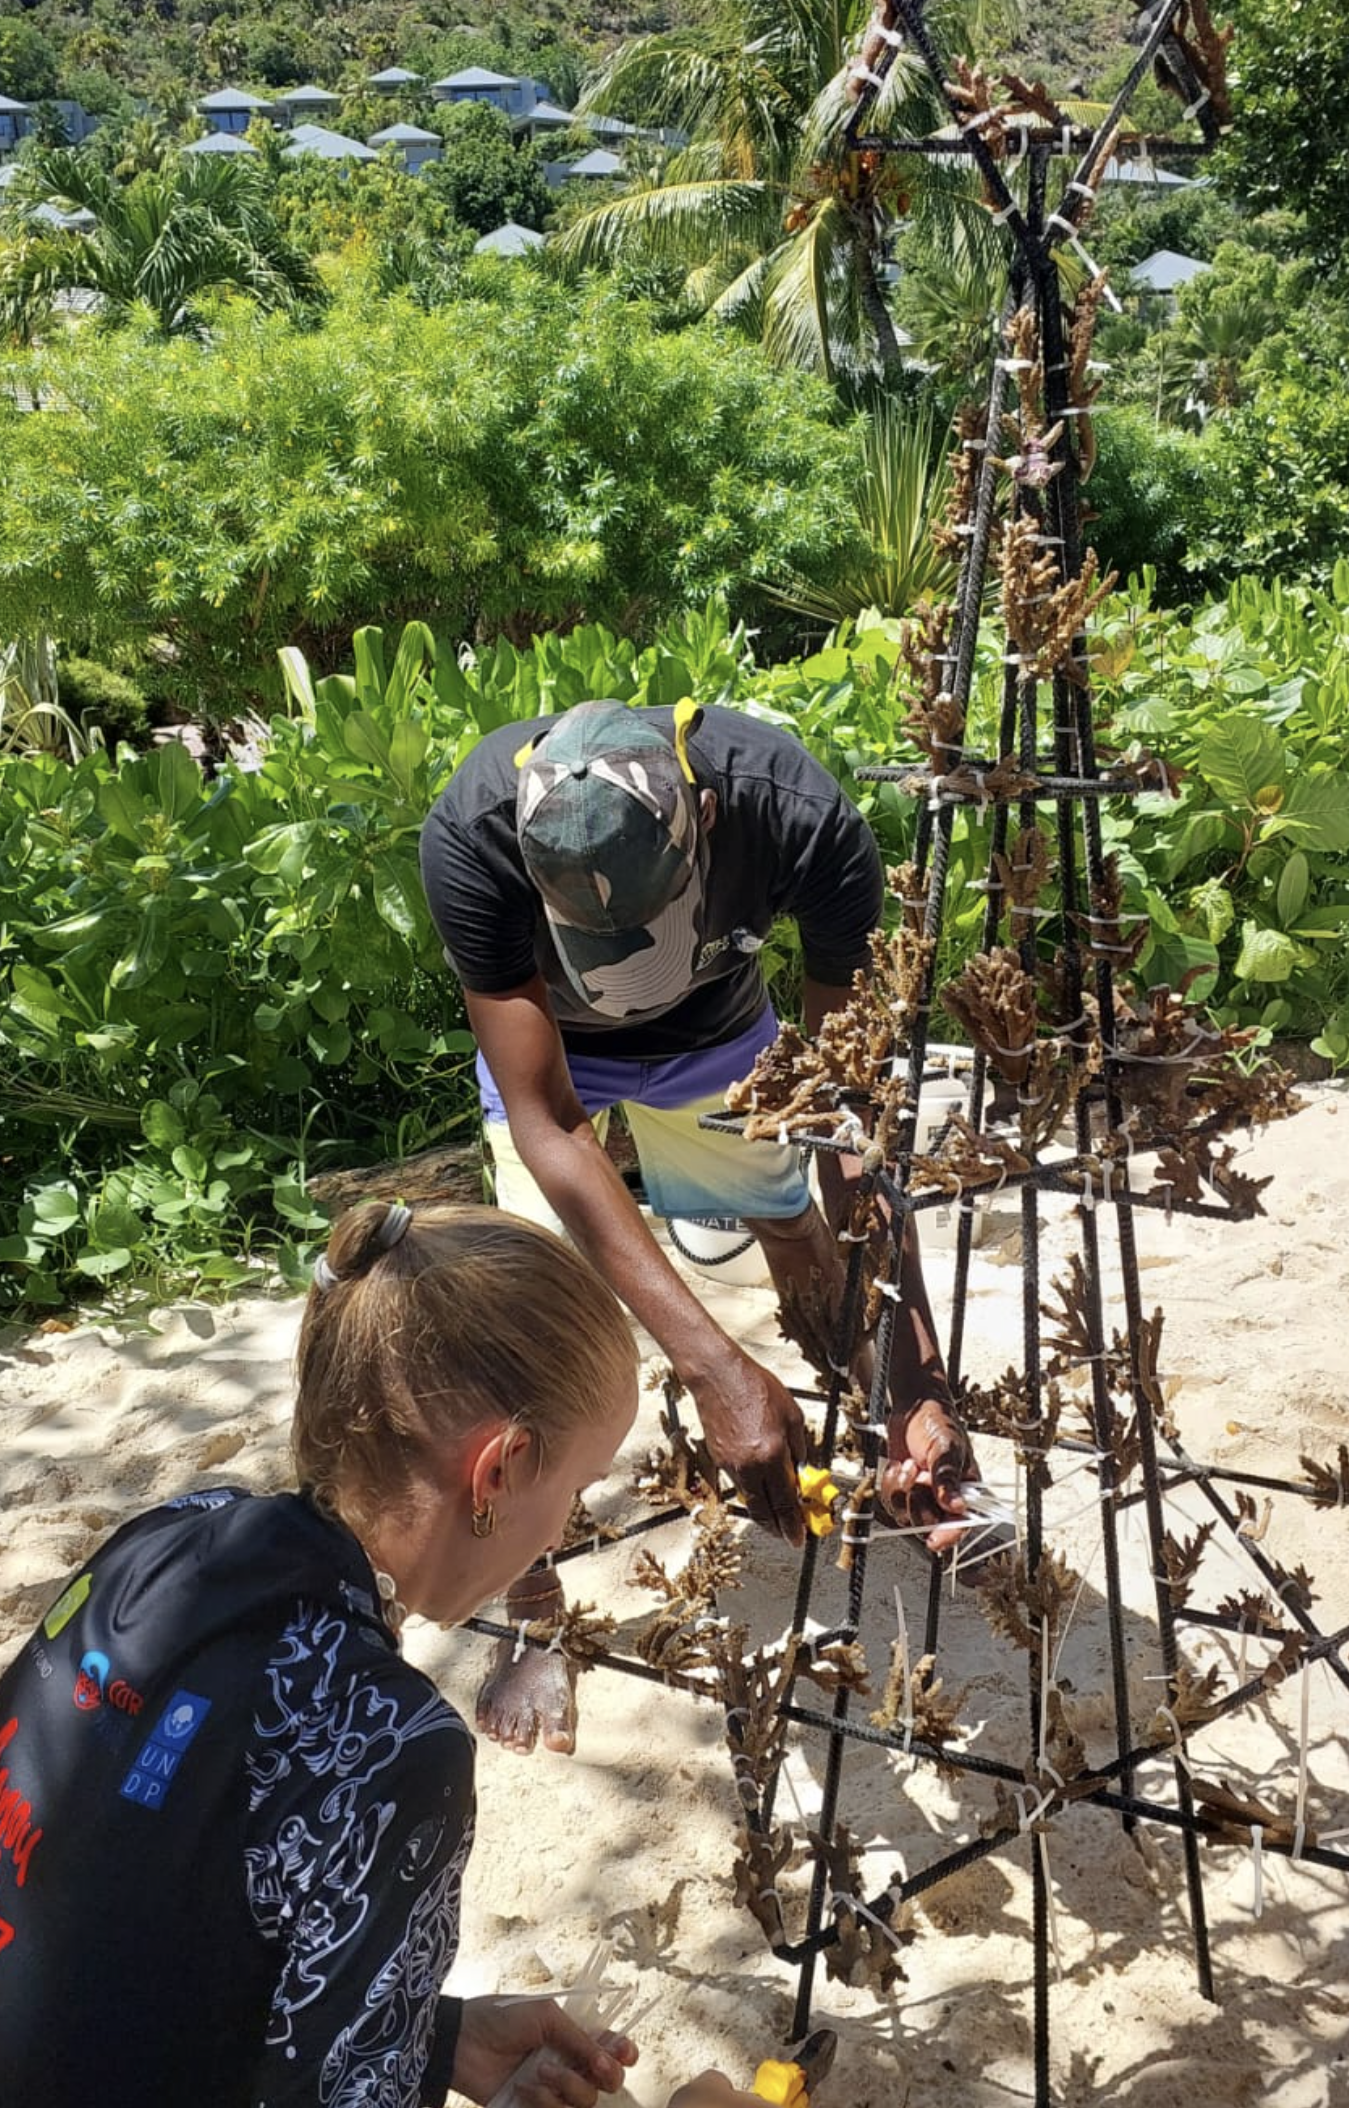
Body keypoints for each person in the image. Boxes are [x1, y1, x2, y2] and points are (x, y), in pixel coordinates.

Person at [0, 1199, 652, 2108]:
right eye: (579, 1488)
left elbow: (139, 1915)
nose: (568, 1528)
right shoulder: (396, 1746)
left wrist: (430, 2039)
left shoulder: (169, 1538)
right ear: (498, 1471)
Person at [420, 699, 982, 1759]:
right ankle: (537, 1604)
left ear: (707, 819)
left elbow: (844, 1106)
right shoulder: (473, 833)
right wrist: (714, 1366)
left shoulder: (796, 817)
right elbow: (549, 1123)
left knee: (790, 1218)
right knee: (521, 1328)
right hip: (558, 1060)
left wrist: (922, 1379)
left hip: (723, 1036)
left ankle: (890, 1427)